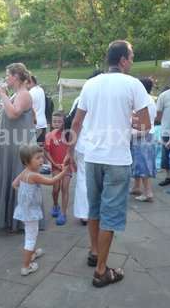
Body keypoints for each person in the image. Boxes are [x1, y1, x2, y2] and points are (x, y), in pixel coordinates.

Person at [66, 40, 151, 288]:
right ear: (123, 60)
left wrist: (70, 152)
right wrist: (131, 122)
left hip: (92, 156)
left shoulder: (91, 84)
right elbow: (146, 127)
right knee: (110, 215)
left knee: (93, 209)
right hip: (116, 159)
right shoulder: (133, 85)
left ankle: (94, 252)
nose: (132, 61)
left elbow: (76, 124)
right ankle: (102, 270)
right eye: (131, 56)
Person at [0, 63, 38, 232]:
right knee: (11, 177)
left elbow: (14, 113)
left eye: (7, 75)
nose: (5, 78)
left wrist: (2, 94)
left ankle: (20, 221)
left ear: (15, 77)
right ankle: (10, 217)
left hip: (18, 145)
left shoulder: (23, 94)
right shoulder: (17, 94)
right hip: (11, 143)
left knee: (18, 178)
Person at [13, 144, 69, 276]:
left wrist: (24, 194)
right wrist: (64, 171)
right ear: (27, 162)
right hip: (31, 211)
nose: (41, 160)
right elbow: (52, 181)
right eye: (37, 158)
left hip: (24, 209)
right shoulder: (34, 175)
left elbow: (14, 184)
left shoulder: (24, 172)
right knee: (31, 237)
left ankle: (32, 253)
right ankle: (26, 266)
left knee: (30, 232)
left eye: (41, 157)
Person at [68, 70, 104, 225]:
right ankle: (97, 211)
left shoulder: (81, 98)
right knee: (101, 180)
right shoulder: (109, 99)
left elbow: (74, 122)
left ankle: (85, 213)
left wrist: (70, 148)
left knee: (83, 179)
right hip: (103, 145)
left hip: (84, 144)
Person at [130, 77, 157, 202]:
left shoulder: (145, 101)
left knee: (143, 163)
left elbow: (144, 121)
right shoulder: (148, 99)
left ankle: (148, 192)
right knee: (138, 162)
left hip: (142, 135)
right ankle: (136, 186)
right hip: (144, 134)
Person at [44, 111, 72, 225]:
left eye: (59, 121)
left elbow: (71, 150)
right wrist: (54, 164)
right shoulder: (49, 135)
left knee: (65, 188)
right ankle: (56, 205)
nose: (56, 123)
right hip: (55, 166)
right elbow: (46, 152)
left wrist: (66, 161)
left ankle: (63, 213)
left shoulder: (69, 134)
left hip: (66, 166)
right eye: (54, 121)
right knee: (56, 189)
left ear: (64, 122)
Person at [28, 75, 47, 144]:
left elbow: (30, 109)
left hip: (34, 124)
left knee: (32, 149)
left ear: (31, 82)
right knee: (40, 148)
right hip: (43, 123)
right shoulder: (41, 90)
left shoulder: (30, 93)